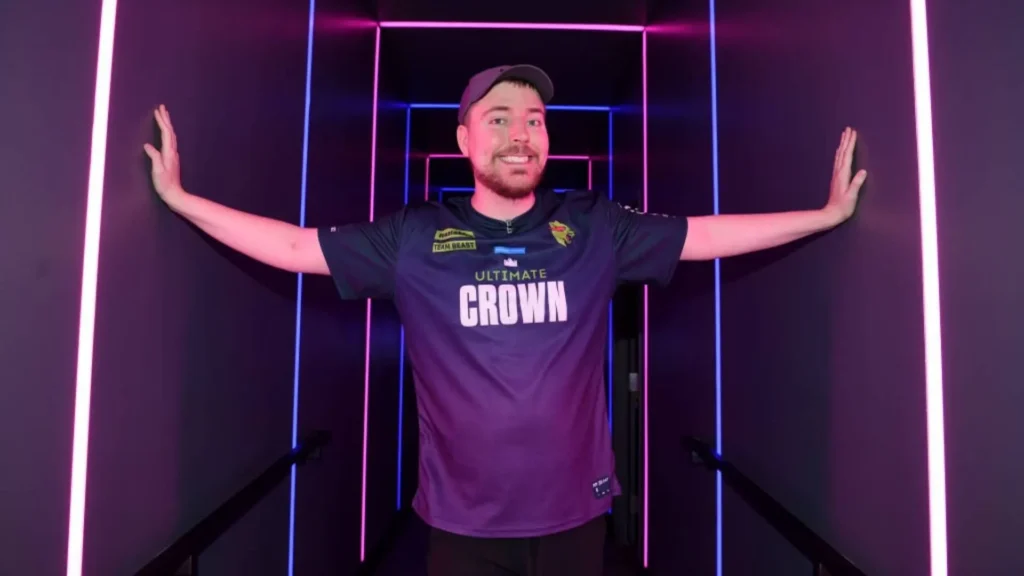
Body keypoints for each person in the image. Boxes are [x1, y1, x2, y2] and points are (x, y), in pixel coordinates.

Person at [144, 64, 866, 575]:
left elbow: (705, 235)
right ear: (464, 141)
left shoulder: (593, 225)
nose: (520, 135)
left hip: (576, 520)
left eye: (534, 120)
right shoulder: (414, 237)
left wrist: (825, 215)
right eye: (498, 120)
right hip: (461, 526)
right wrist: (182, 200)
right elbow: (299, 247)